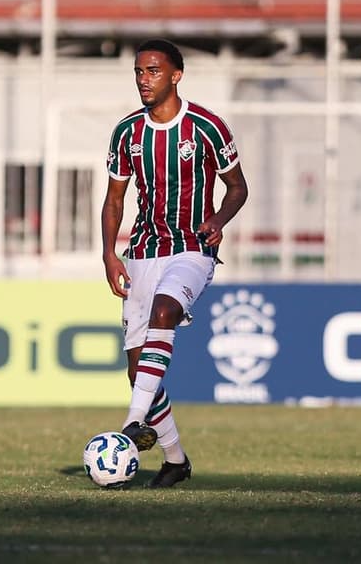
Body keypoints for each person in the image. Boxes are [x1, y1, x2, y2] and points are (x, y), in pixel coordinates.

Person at [101, 39, 248, 488]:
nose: (144, 79)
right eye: (139, 71)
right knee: (136, 368)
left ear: (176, 75)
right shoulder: (127, 133)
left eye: (153, 71)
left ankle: (130, 425)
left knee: (167, 309)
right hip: (142, 251)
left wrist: (219, 220)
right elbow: (114, 200)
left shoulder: (207, 127)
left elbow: (238, 187)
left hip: (192, 249)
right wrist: (109, 253)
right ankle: (175, 460)